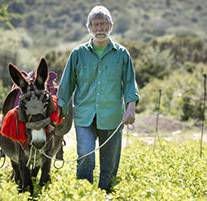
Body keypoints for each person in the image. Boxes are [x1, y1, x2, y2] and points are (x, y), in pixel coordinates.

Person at [56, 5, 140, 192]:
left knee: (109, 164)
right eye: (96, 25)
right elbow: (66, 85)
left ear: (111, 26)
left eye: (103, 24)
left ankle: (105, 193)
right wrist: (59, 111)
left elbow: (129, 83)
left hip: (111, 116)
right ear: (89, 28)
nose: (100, 29)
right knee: (85, 155)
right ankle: (84, 194)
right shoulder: (78, 54)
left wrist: (131, 107)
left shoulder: (122, 54)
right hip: (84, 116)